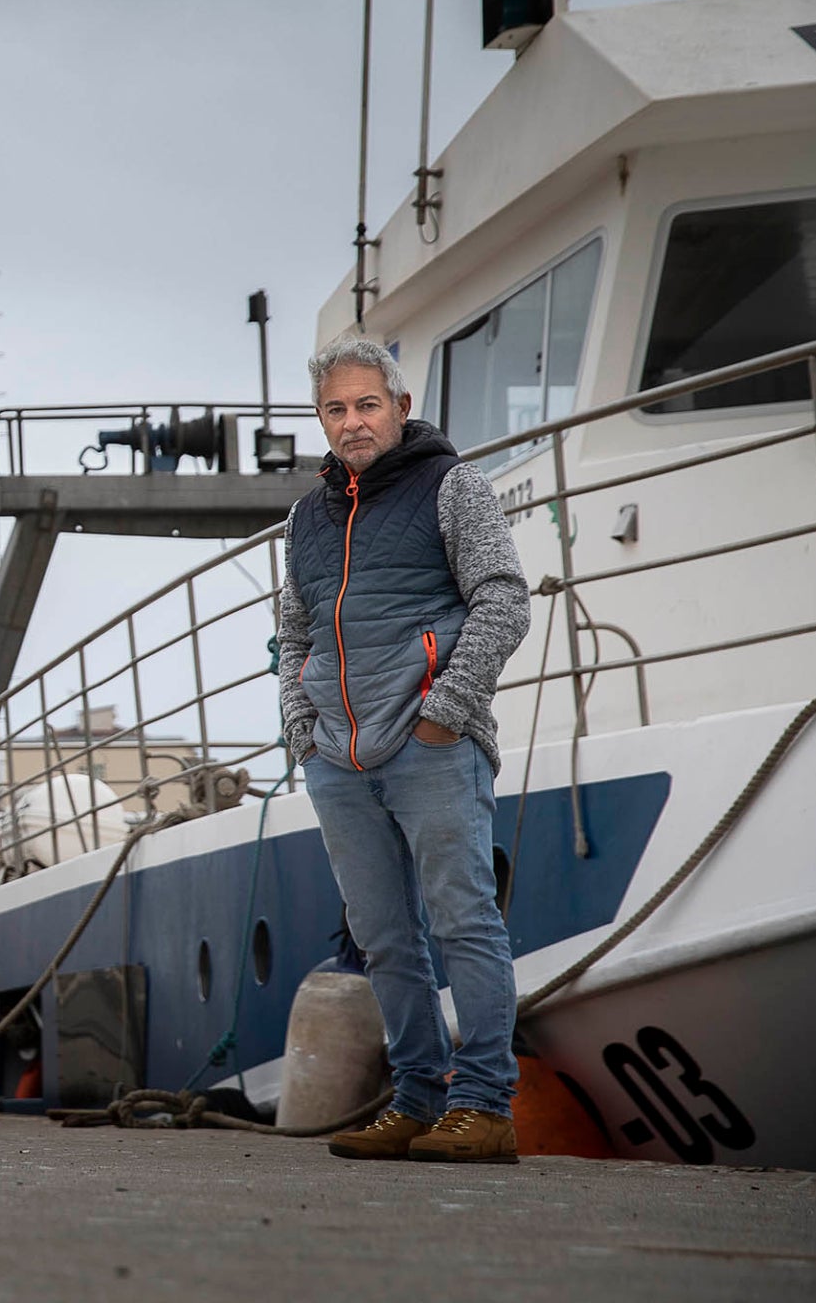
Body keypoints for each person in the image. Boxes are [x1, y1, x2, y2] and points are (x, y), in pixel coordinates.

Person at [279, 336, 532, 1164]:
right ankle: (417, 1101)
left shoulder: (451, 486)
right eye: (336, 410)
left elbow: (503, 600)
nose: (353, 422)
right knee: (384, 936)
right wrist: (303, 731)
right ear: (321, 419)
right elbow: (295, 633)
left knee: (464, 922)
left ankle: (485, 1106)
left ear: (400, 407)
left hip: (431, 746)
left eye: (367, 405)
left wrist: (445, 714)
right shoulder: (305, 518)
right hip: (339, 758)